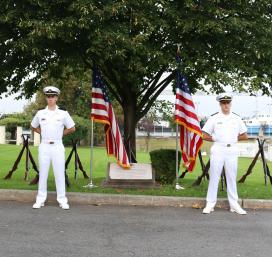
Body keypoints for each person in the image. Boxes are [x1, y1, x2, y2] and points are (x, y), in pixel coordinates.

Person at [202, 92, 248, 215]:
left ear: (230, 104)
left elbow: (244, 135)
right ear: (220, 104)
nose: (226, 105)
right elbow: (204, 135)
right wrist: (214, 139)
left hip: (232, 150)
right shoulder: (214, 118)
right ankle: (210, 204)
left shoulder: (236, 118)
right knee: (214, 177)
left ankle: (234, 205)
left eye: (228, 103)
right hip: (218, 149)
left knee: (231, 177)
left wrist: (232, 139)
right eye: (223, 103)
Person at [31, 86, 76, 210]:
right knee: (43, 173)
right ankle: (40, 200)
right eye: (48, 96)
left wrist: (61, 134)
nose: (50, 98)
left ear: (57, 97)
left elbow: (72, 127)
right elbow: (33, 126)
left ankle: (62, 200)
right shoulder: (40, 113)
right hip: (44, 146)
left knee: (59, 174)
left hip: (57, 146)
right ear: (46, 97)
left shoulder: (63, 113)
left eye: (53, 96)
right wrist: (42, 133)